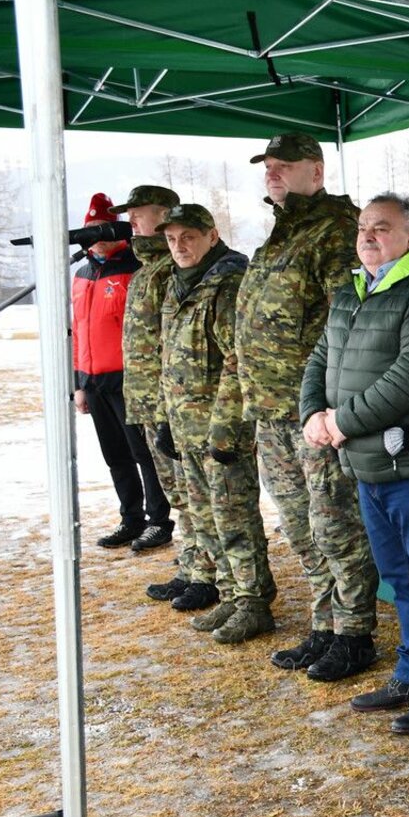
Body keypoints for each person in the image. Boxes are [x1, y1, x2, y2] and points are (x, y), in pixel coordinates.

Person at [301, 193, 409, 735]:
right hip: (367, 462)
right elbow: (321, 356)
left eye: (381, 227)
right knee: (398, 577)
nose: (368, 236)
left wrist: (343, 422)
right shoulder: (353, 289)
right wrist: (312, 412)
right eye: (362, 227)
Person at [228, 132, 379, 677]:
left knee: (335, 525)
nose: (272, 173)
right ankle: (324, 624)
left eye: (284, 165)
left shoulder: (337, 231)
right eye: (268, 166)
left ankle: (355, 633)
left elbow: (351, 324)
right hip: (272, 411)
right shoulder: (281, 234)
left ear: (316, 171)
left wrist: (331, 406)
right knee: (299, 525)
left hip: (317, 411)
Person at [156, 204, 277, 644]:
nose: (179, 246)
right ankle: (229, 593)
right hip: (187, 427)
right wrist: (166, 419)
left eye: (188, 237)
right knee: (205, 519)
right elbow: (170, 358)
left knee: (234, 519)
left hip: (220, 430)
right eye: (172, 239)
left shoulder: (228, 283)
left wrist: (226, 430)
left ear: (211, 235)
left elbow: (238, 360)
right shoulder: (178, 283)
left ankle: (253, 602)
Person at [113, 184, 211, 604]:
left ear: (166, 213)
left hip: (174, 405)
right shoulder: (148, 270)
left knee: (195, 494)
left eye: (140, 212)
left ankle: (206, 573)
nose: (132, 220)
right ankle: (191, 566)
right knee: (178, 496)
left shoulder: (172, 270)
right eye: (130, 213)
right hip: (149, 404)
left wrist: (170, 408)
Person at [71, 191, 172, 551]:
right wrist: (79, 383)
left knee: (144, 453)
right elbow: (78, 331)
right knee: (115, 455)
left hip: (130, 380)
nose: (96, 237)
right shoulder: (82, 274)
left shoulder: (134, 267)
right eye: (90, 229)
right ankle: (131, 518)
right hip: (94, 381)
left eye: (102, 228)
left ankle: (159, 520)